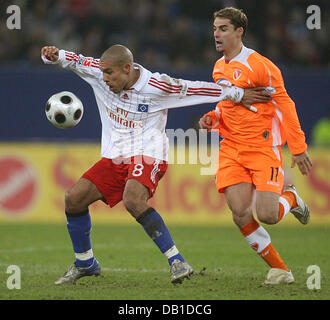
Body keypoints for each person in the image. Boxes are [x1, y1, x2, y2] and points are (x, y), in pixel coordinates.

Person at [41, 44, 271, 285]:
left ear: (127, 68)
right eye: (104, 72)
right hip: (115, 156)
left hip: (149, 154)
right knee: (73, 199)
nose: (105, 78)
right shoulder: (98, 71)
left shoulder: (157, 86)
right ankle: (85, 263)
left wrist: (238, 94)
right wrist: (55, 56)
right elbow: (75, 60)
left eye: (111, 73)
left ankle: (177, 261)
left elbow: (195, 89)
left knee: (133, 200)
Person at [199, 7, 313, 284]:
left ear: (239, 32)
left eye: (223, 28)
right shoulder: (219, 67)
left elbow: (285, 104)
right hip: (231, 148)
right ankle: (280, 270)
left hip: (262, 148)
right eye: (215, 28)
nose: (216, 33)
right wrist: (213, 118)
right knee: (239, 212)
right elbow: (227, 104)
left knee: (268, 215)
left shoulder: (262, 66)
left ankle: (293, 198)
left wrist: (297, 147)